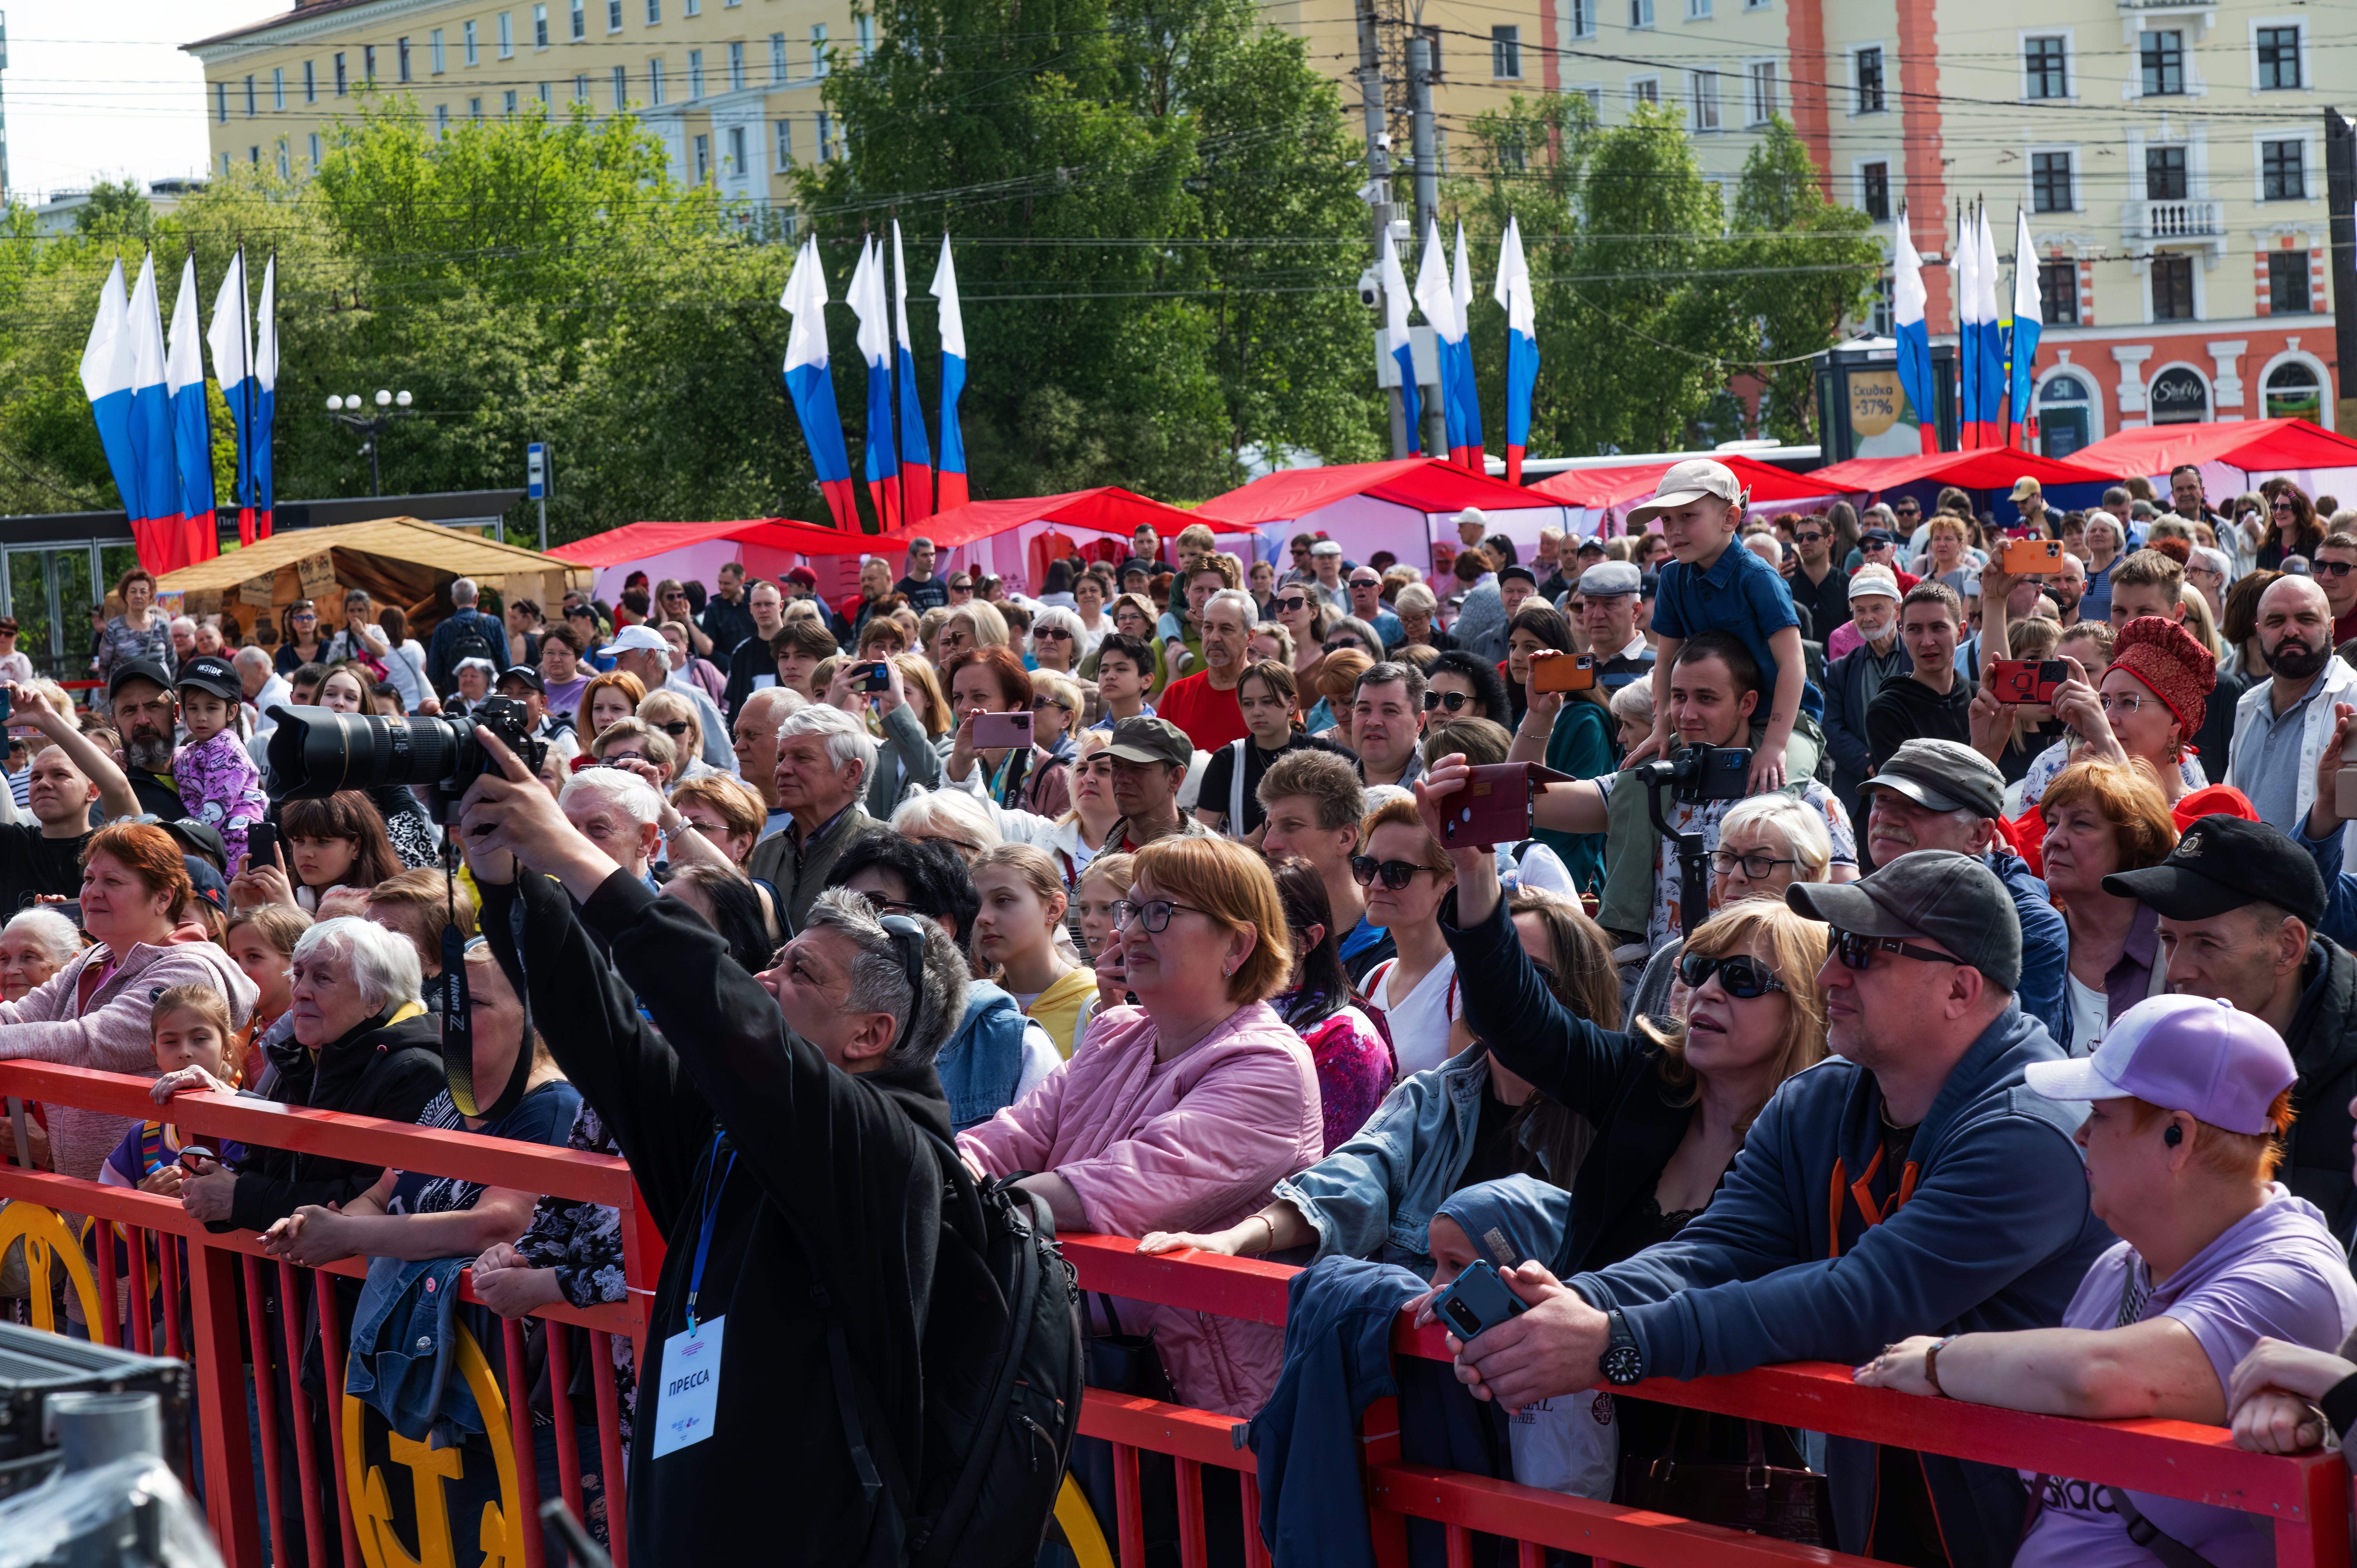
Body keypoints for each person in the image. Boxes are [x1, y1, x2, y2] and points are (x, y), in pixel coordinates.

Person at [1430, 846, 2112, 1564]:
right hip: (1874, 1517)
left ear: (1959, 988)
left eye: (1862, 952)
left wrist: (1614, 1338)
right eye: (1834, 948)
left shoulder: (2031, 1129)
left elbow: (1861, 1298)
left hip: (2036, 1531)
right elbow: (1715, 1249)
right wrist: (1560, 1305)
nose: (1827, 975)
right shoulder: (1817, 1098)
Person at [448, 719, 973, 1565]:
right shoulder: (738, 1121)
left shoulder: (891, 1149)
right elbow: (607, 1036)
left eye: (802, 974)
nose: (767, 977)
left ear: (872, 1033)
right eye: (782, 957)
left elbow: (717, 1006)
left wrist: (582, 860)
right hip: (690, 1496)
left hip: (810, 1532)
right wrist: (511, 879)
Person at [1857, 994, 2356, 1568]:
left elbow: (2099, 1376)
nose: (2081, 1136)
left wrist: (1938, 1360)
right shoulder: (2119, 1264)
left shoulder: (2294, 1275)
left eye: (2102, 1115)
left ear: (2178, 1138)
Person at [958, 835, 1322, 1418]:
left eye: (1161, 913)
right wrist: (946, 1171)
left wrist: (953, 1202)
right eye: (1130, 909)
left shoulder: (1267, 1064)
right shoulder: (1116, 1033)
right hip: (1080, 1371)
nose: (1127, 931)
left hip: (1200, 1405)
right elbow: (1009, 1137)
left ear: (1238, 943)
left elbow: (1120, 1187)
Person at [2101, 814, 2357, 1244]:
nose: (2178, 970)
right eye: (2168, 939)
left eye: (2207, 943)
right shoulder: (2169, 1049)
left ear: (2287, 947)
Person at [1525, 632, 1858, 952]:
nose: (1687, 714)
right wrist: (1539, 719)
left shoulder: (1809, 801)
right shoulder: (1650, 785)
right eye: (1679, 697)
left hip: (1758, 994)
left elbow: (1843, 921)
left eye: (1706, 698)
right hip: (1656, 997)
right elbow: (1529, 800)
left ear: (1747, 703)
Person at [0, 823, 256, 1190]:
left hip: (157, 1203)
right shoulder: (93, 959)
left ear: (163, 897)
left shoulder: (190, 969)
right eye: (89, 879)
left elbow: (89, 1042)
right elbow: (16, 1015)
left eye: (113, 882)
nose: (93, 892)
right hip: (89, 1200)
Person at [1854, 739, 2071, 1040]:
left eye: (1918, 806)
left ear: (1979, 835)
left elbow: (2018, 1064)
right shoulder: (1855, 901)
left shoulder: (2029, 926)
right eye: (1882, 799)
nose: (1887, 817)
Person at [1628, 461, 1806, 799]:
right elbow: (1665, 663)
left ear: (1730, 518)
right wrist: (1661, 728)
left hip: (1783, 720)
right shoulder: (1671, 578)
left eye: (1687, 516)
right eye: (1666, 519)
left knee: (1777, 798)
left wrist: (1773, 745)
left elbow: (1793, 665)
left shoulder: (1759, 578)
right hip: (1710, 719)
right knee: (1636, 788)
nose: (1673, 530)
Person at [2039, 759, 2179, 1052]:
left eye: (2080, 824)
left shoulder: (2179, 950)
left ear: (2133, 843)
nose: (2055, 839)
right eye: (2052, 823)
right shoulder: (2030, 945)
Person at [1262, 856, 1394, 1154]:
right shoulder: (1214, 1010)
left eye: (1265, 926)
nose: (1242, 939)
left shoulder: (1347, 1038)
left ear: (1310, 939)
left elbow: (1322, 1168)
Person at [2227, 575, 2357, 835]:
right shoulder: (2248, 705)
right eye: (2276, 621)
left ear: (2331, 628)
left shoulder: (2353, 701)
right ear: (2259, 632)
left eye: (2306, 619)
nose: (2290, 631)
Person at [1353, 795, 1468, 1079]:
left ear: (1447, 881)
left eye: (1397, 872)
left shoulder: (1464, 984)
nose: (1377, 884)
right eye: (1367, 867)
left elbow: (1459, 1108)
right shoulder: (1374, 979)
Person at [0, 685, 139, 912]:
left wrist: (46, 718)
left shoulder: (110, 846)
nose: (43, 783)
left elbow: (119, 788)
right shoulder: (10, 842)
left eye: (60, 775)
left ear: (93, 791)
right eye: (35, 777)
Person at [746, 703, 879, 931]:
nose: (782, 770)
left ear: (851, 773)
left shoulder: (883, 850)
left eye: (802, 758)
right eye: (781, 758)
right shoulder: (766, 851)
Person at [967, 841, 1099, 1059]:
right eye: (974, 905)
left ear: (1054, 908)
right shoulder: (974, 1007)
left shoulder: (1096, 1007)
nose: (982, 918)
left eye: (1003, 900)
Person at [166, 653, 269, 874]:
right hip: (214, 839)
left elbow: (215, 809)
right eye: (193, 708)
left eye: (211, 708)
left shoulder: (228, 750)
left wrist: (177, 844)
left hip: (235, 842)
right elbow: (175, 757)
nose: (201, 717)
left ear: (231, 712)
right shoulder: (196, 747)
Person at [1821, 565, 1908, 823]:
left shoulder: (1921, 662)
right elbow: (1832, 727)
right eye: (1860, 610)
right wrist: (1869, 763)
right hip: (1857, 795)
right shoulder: (1841, 670)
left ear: (1897, 610)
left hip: (1913, 787)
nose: (1867, 617)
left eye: (1877, 609)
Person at [1866, 581, 1969, 772]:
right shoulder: (1888, 711)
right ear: (1903, 635)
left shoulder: (1978, 699)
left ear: (1960, 632)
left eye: (1938, 627)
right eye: (1915, 629)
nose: (1927, 642)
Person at [1155, 587, 1255, 752]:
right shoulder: (1177, 694)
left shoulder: (1273, 693)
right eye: (1208, 628)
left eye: (1226, 629)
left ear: (1250, 637)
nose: (1214, 638)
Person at [1096, 715, 1206, 854]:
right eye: (1116, 765)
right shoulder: (1099, 863)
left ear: (1175, 778)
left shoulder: (1210, 863)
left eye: (1138, 768)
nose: (1121, 778)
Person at [104, 660, 192, 818]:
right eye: (129, 710)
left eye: (153, 706)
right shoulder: (110, 788)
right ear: (115, 723)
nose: (143, 720)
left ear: (176, 714)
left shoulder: (209, 770)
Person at [95, 568, 173, 710]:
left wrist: (173, 688)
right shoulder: (114, 627)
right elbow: (104, 665)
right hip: (127, 695)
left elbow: (172, 661)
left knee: (161, 724)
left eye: (143, 592)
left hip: (161, 694)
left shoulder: (162, 625)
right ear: (125, 596)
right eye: (133, 591)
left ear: (151, 597)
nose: (138, 596)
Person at [423, 577, 506, 698]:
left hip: (456, 699)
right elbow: (506, 666)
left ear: (454, 600)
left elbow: (434, 673)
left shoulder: (443, 628)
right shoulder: (493, 624)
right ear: (476, 598)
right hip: (489, 700)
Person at [1351, 661, 1429, 790]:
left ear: (1419, 723)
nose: (1373, 721)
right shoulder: (1329, 793)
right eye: (1364, 709)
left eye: (1390, 711)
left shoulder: (1438, 789)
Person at [0, 907, 81, 1005]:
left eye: (29, 957)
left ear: (73, 963)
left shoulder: (97, 1015)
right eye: (3, 958)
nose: (11, 971)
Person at [895, 535, 949, 611]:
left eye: (933, 554)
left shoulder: (942, 586)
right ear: (913, 558)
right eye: (925, 555)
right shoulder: (900, 589)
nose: (930, 559)